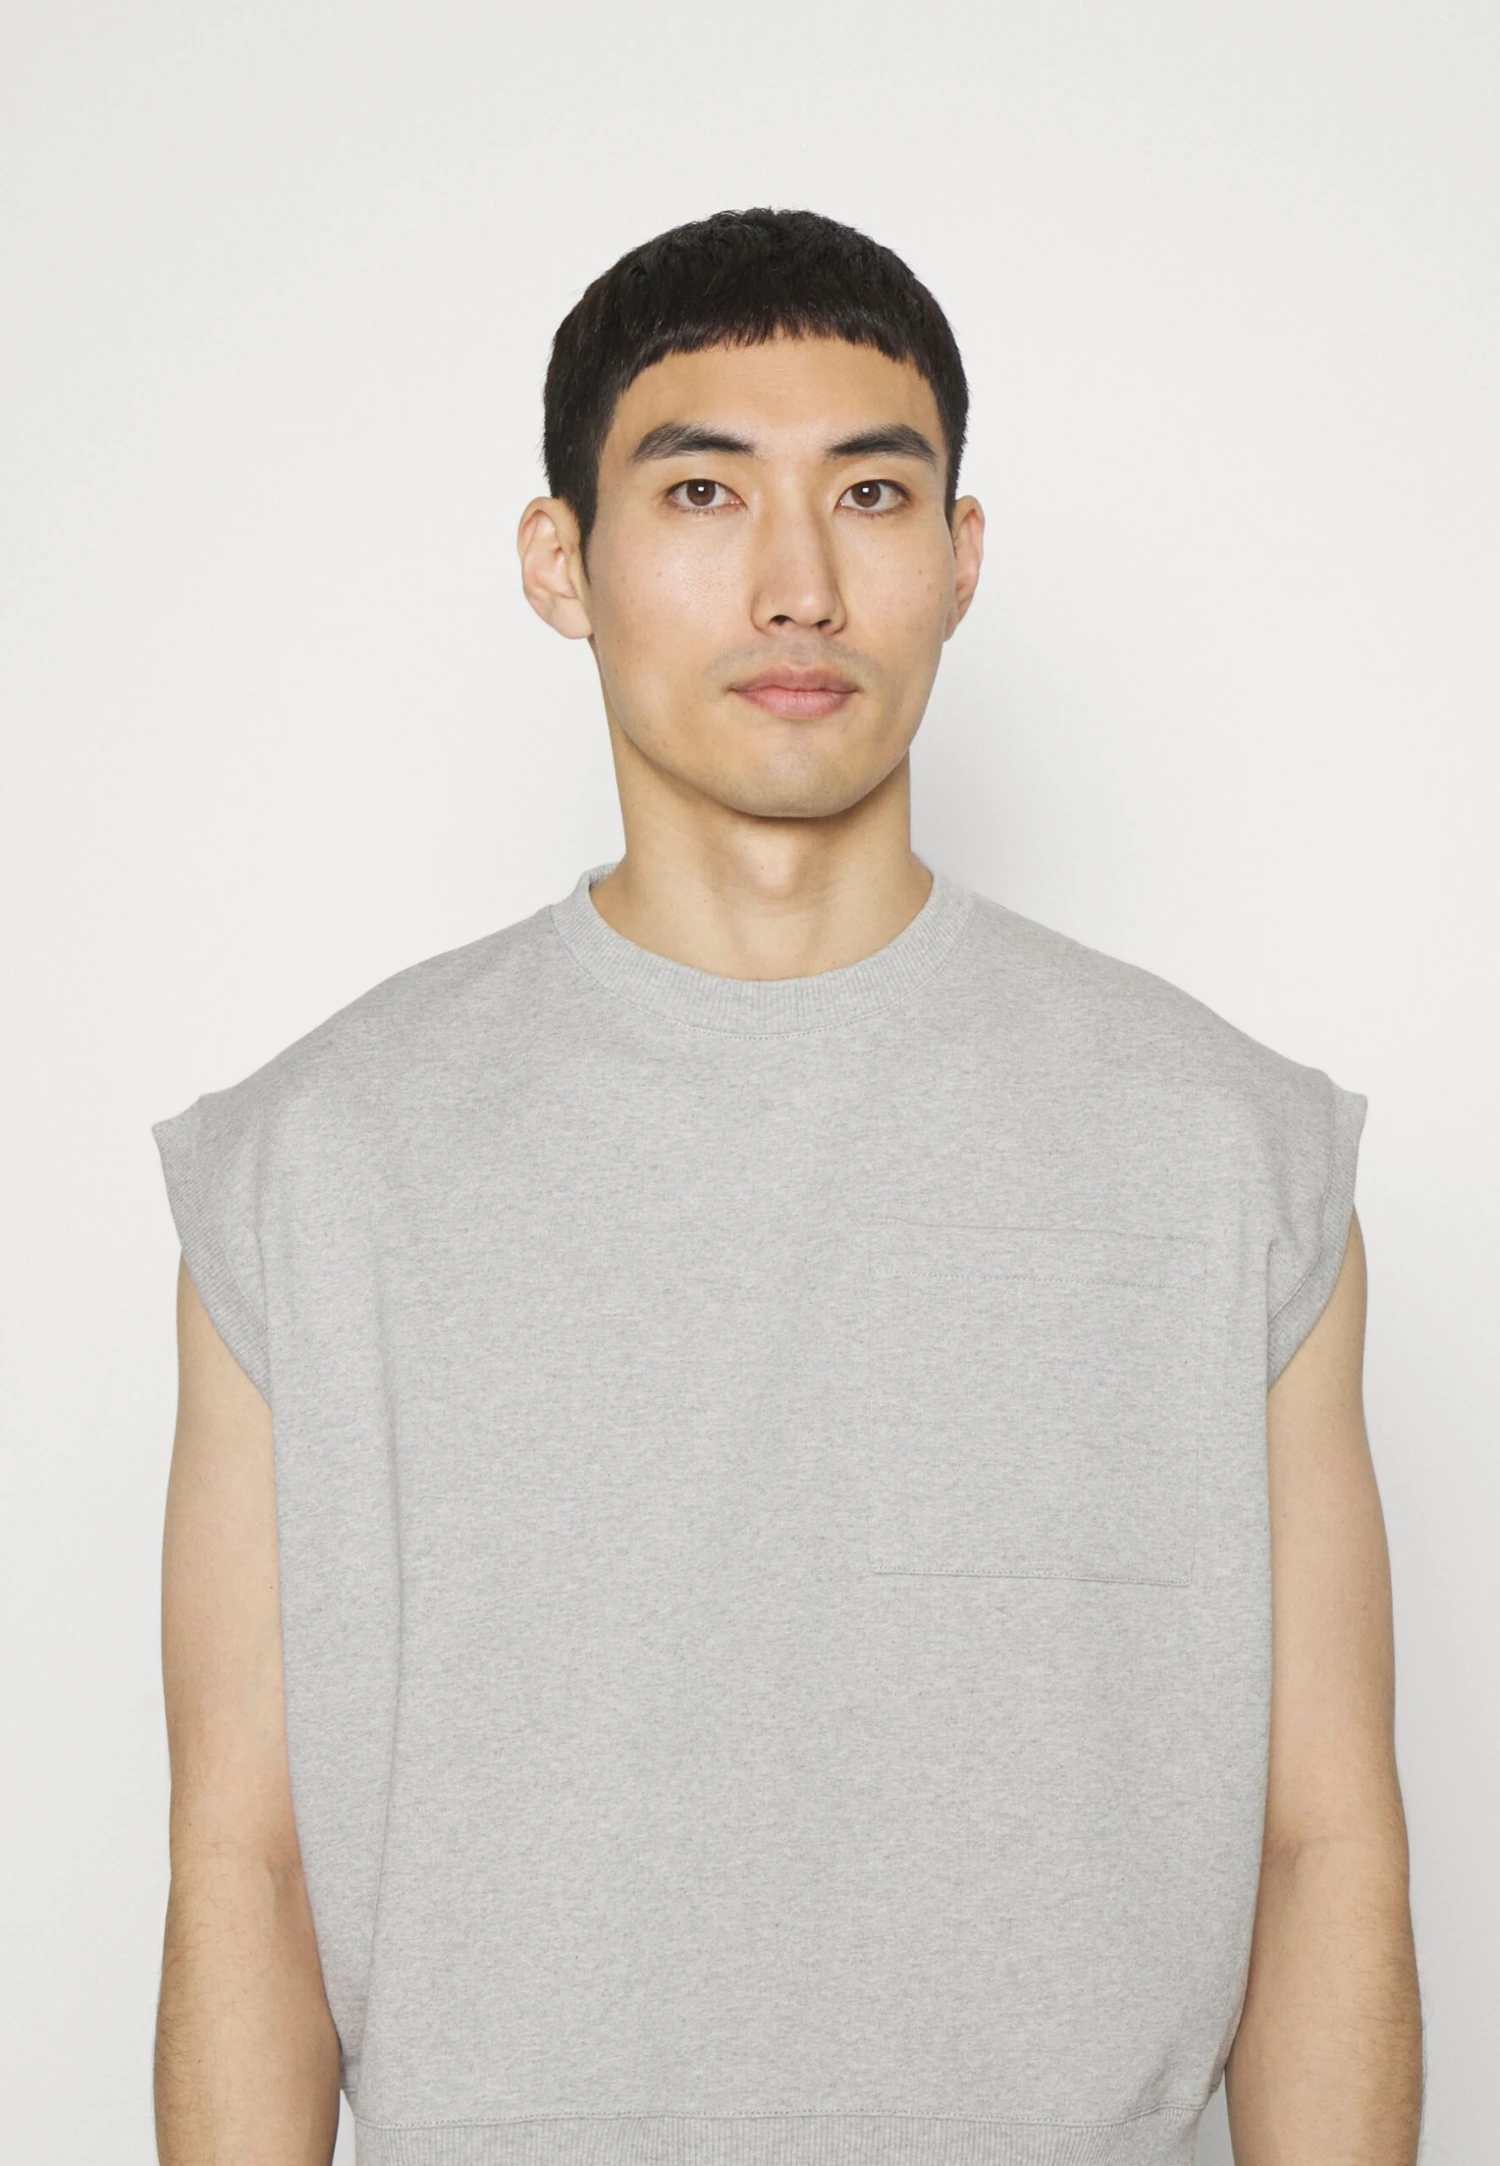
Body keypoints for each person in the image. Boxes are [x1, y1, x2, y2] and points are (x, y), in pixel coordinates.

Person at [150, 207, 1422, 2166]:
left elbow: (1321, 1839)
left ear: (961, 557)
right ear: (559, 561)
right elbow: (247, 1862)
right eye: (702, 489)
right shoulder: (311, 1165)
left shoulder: (1231, 1148)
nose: (799, 584)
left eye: (872, 492)